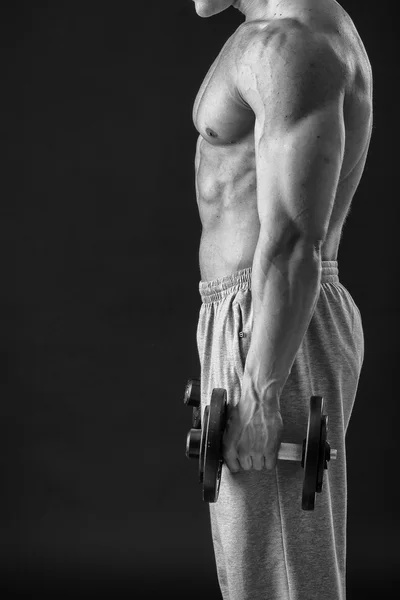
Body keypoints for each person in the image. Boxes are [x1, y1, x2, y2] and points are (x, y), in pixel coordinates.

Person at [191, 0, 372, 598]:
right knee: (259, 577)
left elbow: (296, 241)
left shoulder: (292, 48)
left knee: (286, 580)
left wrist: (260, 393)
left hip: (271, 324)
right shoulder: (266, 36)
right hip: (249, 316)